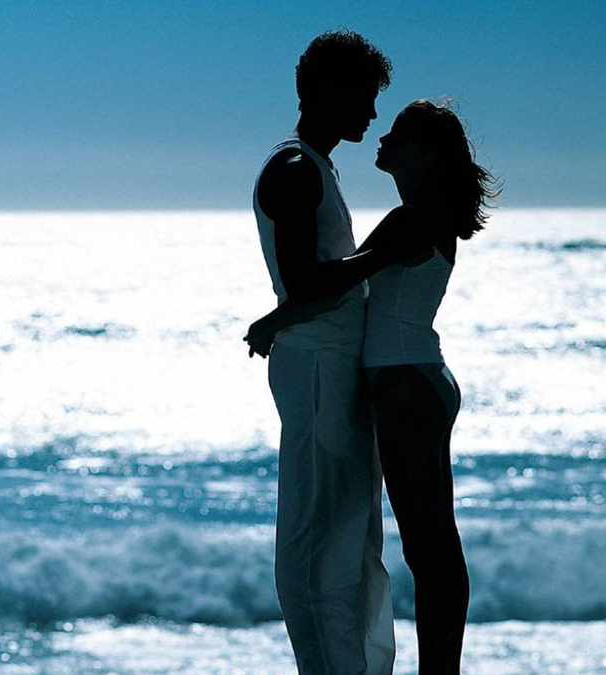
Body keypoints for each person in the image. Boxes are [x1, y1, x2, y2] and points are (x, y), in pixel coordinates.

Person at [247, 99, 497, 675]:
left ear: (425, 155)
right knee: (431, 544)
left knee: (429, 546)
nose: (383, 137)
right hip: (416, 377)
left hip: (406, 382)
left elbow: (340, 286)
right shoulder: (418, 214)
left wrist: (276, 320)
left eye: (399, 134)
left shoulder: (415, 218)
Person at [248, 30, 436, 675]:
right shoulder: (296, 169)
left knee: (350, 538)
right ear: (329, 92)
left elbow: (307, 285)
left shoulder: (317, 168)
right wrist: (382, 255)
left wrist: (281, 315)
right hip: (317, 372)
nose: (373, 113)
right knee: (318, 540)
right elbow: (306, 282)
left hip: (331, 367)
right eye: (364, 96)